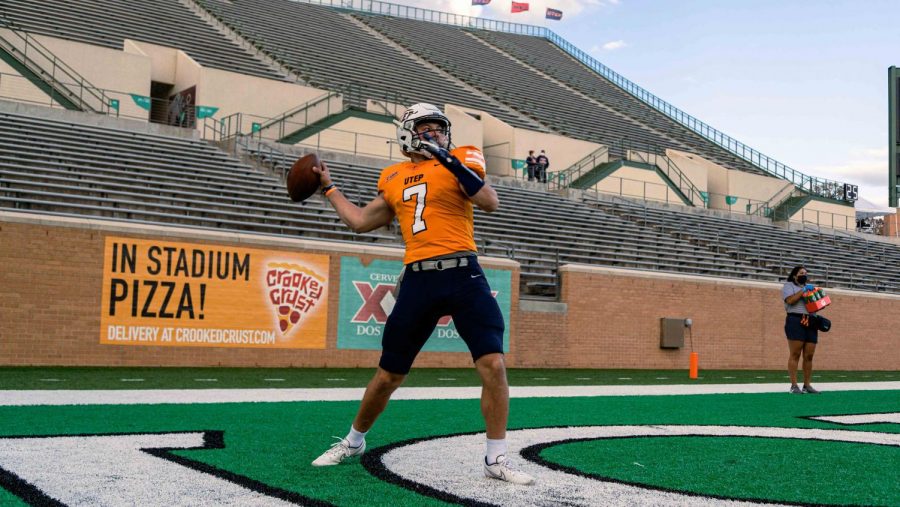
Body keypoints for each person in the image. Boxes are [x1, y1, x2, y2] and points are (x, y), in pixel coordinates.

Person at [309, 103, 534, 485]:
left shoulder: (460, 159)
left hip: (464, 273)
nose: (436, 134)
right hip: (418, 279)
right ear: (406, 134)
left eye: (440, 128)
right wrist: (329, 188)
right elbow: (362, 221)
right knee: (388, 375)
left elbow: (489, 202)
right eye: (427, 128)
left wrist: (446, 159)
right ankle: (353, 441)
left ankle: (495, 458)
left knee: (493, 364)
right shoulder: (393, 176)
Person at [782, 266, 820, 394]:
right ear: (794, 275)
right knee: (795, 354)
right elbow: (791, 301)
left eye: (805, 273)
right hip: (795, 320)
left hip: (811, 321)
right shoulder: (788, 286)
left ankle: (807, 385)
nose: (804, 275)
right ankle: (794, 386)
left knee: (809, 355)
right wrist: (803, 290)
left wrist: (818, 297)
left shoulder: (810, 288)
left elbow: (816, 306)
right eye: (801, 273)